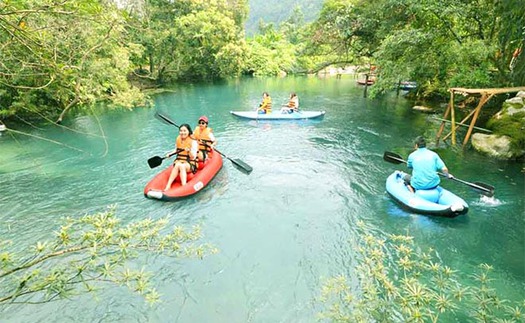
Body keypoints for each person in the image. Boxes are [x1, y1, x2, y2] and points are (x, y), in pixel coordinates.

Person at [164, 124, 198, 190]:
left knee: (181, 166)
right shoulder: (178, 139)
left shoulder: (193, 142)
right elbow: (176, 150)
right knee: (177, 165)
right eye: (181, 131)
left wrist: (189, 152)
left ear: (188, 131)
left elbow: (193, 157)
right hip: (179, 160)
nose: (182, 133)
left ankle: (184, 186)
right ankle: (168, 185)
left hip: (190, 163)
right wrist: (169, 154)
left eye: (184, 131)